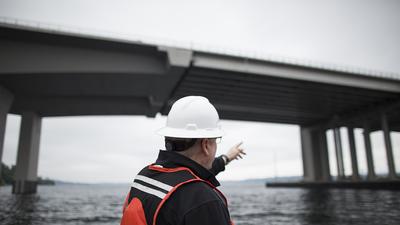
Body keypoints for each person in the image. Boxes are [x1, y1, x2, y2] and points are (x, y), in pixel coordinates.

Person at [120, 96, 246, 225]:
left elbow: (191, 176)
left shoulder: (144, 177)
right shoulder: (204, 202)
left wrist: (227, 158)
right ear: (206, 145)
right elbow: (191, 187)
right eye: (216, 141)